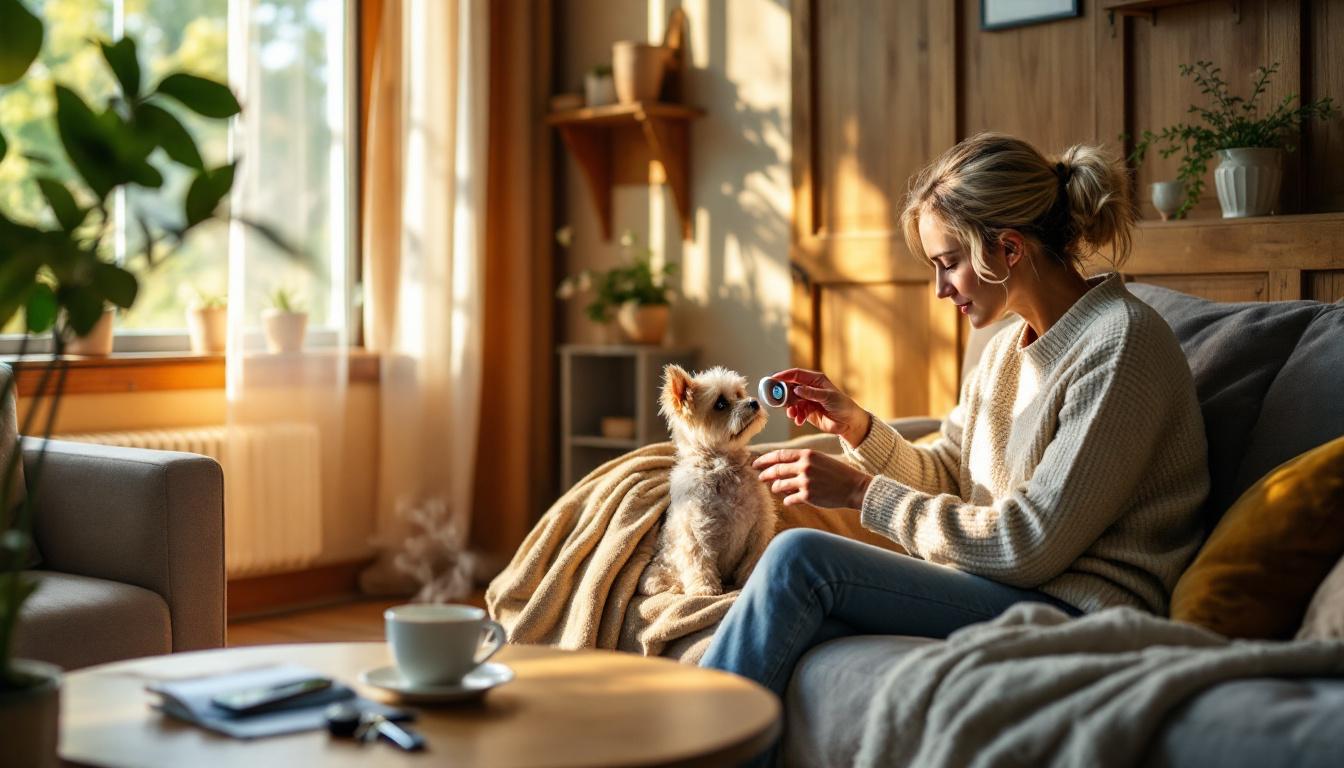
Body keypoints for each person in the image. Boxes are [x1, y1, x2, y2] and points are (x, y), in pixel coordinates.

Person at [700, 133, 1211, 709]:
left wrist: (862, 492)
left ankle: (689, 742)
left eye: (949, 264)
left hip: (1079, 610)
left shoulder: (1121, 344)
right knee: (795, 639)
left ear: (1010, 249)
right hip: (1000, 588)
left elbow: (1030, 542)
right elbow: (953, 477)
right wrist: (858, 428)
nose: (941, 290)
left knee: (801, 559)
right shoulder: (1003, 351)